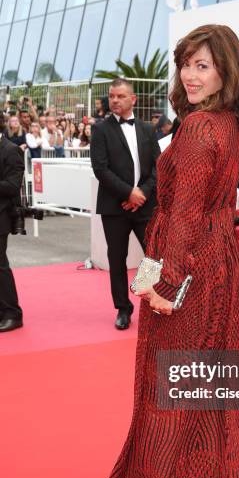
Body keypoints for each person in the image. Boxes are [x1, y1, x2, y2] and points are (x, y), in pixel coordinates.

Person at [79, 24, 239, 478]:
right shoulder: (232, 126)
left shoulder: (200, 129)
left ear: (226, 68)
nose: (190, 73)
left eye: (203, 64)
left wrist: (162, 284)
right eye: (186, 63)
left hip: (190, 269)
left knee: (168, 390)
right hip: (219, 264)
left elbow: (180, 217)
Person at [89, 78, 160, 329]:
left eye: (120, 96)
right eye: (111, 96)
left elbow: (157, 167)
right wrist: (127, 193)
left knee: (154, 256)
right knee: (116, 258)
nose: (114, 100)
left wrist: (141, 193)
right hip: (114, 206)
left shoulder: (148, 130)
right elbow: (100, 168)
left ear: (133, 99)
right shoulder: (100, 129)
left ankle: (150, 299)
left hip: (145, 204)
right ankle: (123, 308)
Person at [0, 113, 25, 332]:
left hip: (1, 216)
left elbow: (11, 185)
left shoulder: (11, 150)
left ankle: (13, 313)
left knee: (0, 266)